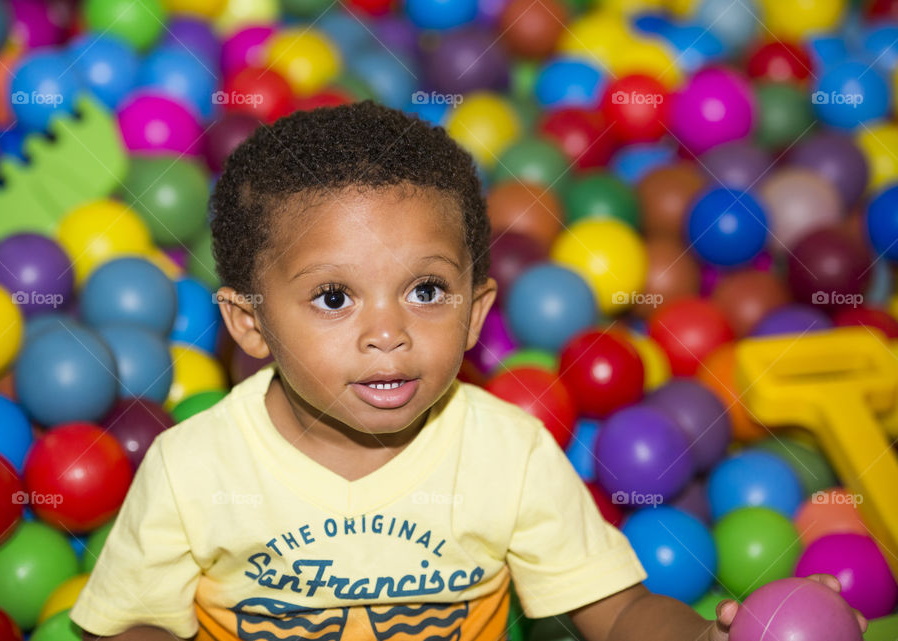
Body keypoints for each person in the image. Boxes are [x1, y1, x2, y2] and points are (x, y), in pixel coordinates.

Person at [69, 101, 865, 641]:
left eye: (426, 290)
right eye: (334, 296)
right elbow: (134, 622)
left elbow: (618, 612)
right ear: (251, 324)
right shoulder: (193, 465)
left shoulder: (507, 452)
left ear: (479, 311)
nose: (388, 332)